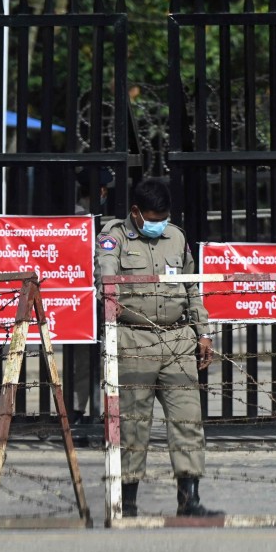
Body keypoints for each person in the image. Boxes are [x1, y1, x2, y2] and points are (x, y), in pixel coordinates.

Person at [95, 177, 222, 517]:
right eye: (152, 217)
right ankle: (128, 500)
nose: (158, 223)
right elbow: (105, 276)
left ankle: (189, 498)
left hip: (179, 340)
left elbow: (192, 287)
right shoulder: (113, 238)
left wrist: (204, 332)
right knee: (133, 423)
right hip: (134, 339)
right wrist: (109, 295)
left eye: (163, 216)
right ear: (135, 213)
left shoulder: (177, 237)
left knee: (187, 420)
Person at [72, 167, 115, 423]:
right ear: (101, 191)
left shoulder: (76, 218)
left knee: (83, 361)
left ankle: (79, 411)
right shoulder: (88, 220)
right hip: (94, 298)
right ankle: (97, 412)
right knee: (103, 357)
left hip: (81, 300)